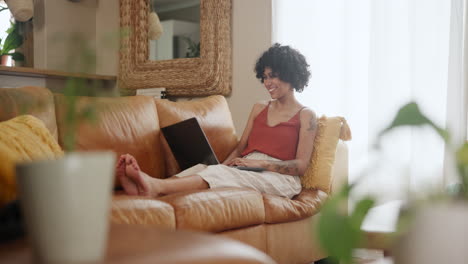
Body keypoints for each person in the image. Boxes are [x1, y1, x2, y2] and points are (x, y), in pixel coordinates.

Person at [116, 43, 317, 199]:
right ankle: (150, 186)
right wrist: (221, 166)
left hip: (280, 177)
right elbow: (240, 149)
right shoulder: (259, 107)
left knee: (225, 175)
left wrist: (260, 163)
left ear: (291, 75)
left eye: (272, 76)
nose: (267, 83)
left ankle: (154, 187)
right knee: (202, 169)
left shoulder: (306, 115)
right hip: (247, 166)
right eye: (264, 77)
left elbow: (300, 166)